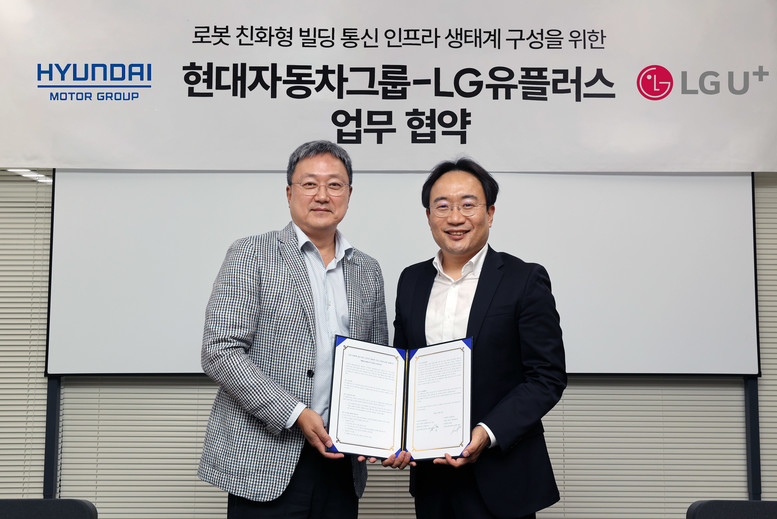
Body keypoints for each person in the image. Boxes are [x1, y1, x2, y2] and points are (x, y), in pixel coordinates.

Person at [198, 140, 388, 519]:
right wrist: (296, 412)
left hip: (341, 462)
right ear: (289, 193)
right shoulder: (251, 253)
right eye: (309, 184)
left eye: (335, 185)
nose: (322, 195)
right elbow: (219, 350)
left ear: (349, 194)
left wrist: (382, 432)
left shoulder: (367, 270)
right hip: (264, 457)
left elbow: (377, 362)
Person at [392, 158, 567, 519]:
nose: (455, 218)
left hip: (503, 477)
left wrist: (487, 432)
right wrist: (395, 435)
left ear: (490, 213)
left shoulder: (524, 279)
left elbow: (546, 377)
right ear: (428, 216)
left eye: (468, 205)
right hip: (432, 479)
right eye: (443, 206)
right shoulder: (411, 281)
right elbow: (403, 371)